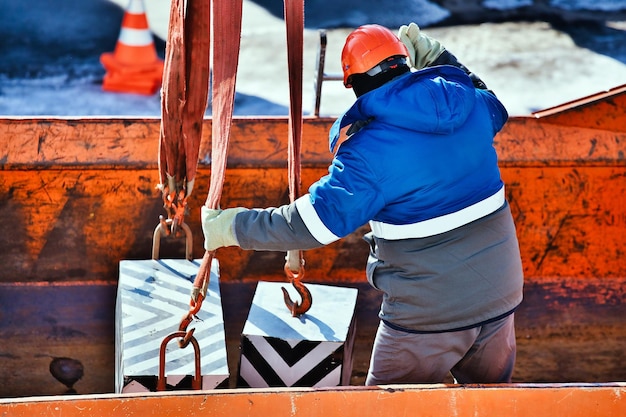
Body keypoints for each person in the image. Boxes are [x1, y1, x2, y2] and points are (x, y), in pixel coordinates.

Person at [201, 23, 524, 385]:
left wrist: (231, 227)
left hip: (429, 315)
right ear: (405, 64)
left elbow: (310, 224)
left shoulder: (368, 152)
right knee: (492, 401)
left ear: (353, 85)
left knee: (385, 407)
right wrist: (440, 59)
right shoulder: (471, 106)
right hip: (502, 294)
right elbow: (489, 99)